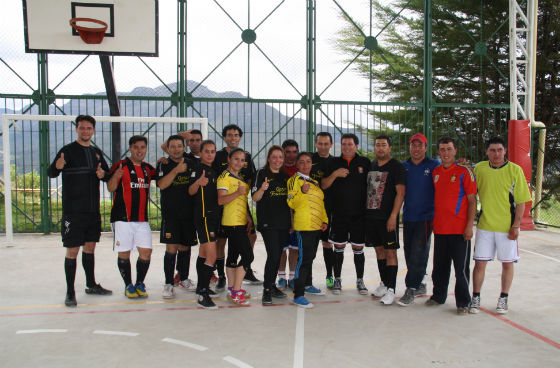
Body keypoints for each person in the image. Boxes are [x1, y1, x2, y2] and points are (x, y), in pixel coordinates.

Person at [47, 114, 112, 307]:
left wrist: (103, 175)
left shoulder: (96, 152)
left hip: (92, 211)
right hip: (73, 212)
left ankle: (91, 285)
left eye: (88, 128)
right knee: (73, 250)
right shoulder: (67, 151)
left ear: (93, 130)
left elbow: (107, 176)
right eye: (82, 128)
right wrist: (57, 167)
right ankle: (70, 292)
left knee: (90, 248)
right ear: (76, 129)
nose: (85, 131)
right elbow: (51, 172)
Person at [470, 137, 531, 314]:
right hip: (485, 226)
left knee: (507, 263)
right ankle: (476, 297)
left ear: (505, 151)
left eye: (499, 150)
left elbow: (521, 202)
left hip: (507, 228)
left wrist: (516, 225)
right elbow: (470, 191)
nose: (496, 154)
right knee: (480, 264)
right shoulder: (480, 168)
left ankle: (503, 298)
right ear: (487, 152)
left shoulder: (515, 170)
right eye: (492, 150)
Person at [426, 136, 477, 315]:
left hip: (459, 230)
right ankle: (439, 296)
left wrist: (469, 226)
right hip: (440, 229)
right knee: (439, 267)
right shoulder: (436, 172)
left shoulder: (464, 172)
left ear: (455, 151)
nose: (446, 153)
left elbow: (472, 201)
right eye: (442, 149)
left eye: (449, 149)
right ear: (438, 152)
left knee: (460, 269)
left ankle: (463, 302)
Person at [107, 135, 156, 299]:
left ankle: (139, 283)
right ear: (130, 148)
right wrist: (116, 176)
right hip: (122, 219)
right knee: (124, 253)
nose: (139, 150)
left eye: (142, 147)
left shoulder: (148, 169)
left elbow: (163, 178)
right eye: (136, 147)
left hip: (142, 220)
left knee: (146, 252)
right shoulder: (120, 166)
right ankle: (128, 285)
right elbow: (110, 187)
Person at [322, 133, 370, 295]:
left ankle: (360, 280)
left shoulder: (364, 162)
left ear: (356, 146)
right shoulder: (333, 162)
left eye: (350, 144)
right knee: (339, 248)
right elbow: (324, 185)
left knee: (358, 248)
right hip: (339, 215)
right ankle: (337, 280)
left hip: (359, 215)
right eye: (344, 144)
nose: (347, 147)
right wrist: (335, 174)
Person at [213, 124, 260, 288]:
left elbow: (251, 179)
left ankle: (238, 279)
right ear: (224, 137)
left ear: (240, 137)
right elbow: (220, 195)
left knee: (247, 239)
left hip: (240, 206)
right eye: (229, 135)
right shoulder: (218, 158)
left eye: (236, 135)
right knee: (221, 241)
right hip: (224, 210)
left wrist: (244, 194)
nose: (233, 137)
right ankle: (222, 276)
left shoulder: (245, 159)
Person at [397, 133, 440, 306]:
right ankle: (421, 282)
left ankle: (411, 288)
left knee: (419, 253)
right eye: (413, 145)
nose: (416, 148)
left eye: (419, 145)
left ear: (425, 147)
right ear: (410, 147)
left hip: (426, 217)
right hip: (408, 217)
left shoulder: (434, 165)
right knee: (409, 252)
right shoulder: (404, 166)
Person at [365, 134, 406, 305]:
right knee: (379, 251)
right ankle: (384, 283)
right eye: (377, 145)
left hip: (387, 219)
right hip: (372, 218)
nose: (380, 148)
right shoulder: (372, 165)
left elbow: (400, 193)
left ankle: (391, 290)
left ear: (390, 148)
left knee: (390, 252)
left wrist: (393, 216)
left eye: (384, 145)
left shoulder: (396, 167)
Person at [156, 135, 198, 298]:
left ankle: (184, 278)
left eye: (179, 146)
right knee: (171, 248)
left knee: (185, 247)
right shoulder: (163, 164)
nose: (176, 149)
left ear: (184, 147)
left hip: (188, 214)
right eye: (172, 146)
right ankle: (168, 283)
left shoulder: (191, 164)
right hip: (171, 214)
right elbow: (161, 185)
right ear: (168, 148)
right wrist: (175, 171)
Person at [287, 152, 329, 308]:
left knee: (310, 257)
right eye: (302, 162)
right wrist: (302, 192)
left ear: (312, 164)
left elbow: (321, 203)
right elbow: (291, 202)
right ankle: (298, 295)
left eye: (308, 162)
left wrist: (324, 220)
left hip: (316, 226)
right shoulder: (294, 181)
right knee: (303, 260)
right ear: (297, 165)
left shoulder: (315, 182)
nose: (305, 165)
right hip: (304, 226)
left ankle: (307, 284)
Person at [251, 145, 290, 305]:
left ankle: (272, 286)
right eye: (274, 157)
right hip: (268, 223)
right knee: (273, 255)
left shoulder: (285, 176)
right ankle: (266, 291)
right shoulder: (261, 173)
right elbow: (254, 198)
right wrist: (262, 188)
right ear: (268, 158)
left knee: (277, 255)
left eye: (280, 157)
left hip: (283, 223)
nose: (277, 160)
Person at [217, 148, 255, 305]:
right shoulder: (224, 177)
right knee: (248, 256)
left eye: (242, 160)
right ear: (229, 159)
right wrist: (238, 193)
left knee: (232, 256)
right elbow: (221, 200)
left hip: (239, 221)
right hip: (231, 223)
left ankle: (232, 289)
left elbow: (240, 201)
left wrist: (247, 217)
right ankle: (237, 291)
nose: (239, 163)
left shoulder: (238, 176)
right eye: (236, 159)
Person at [188, 140, 221, 309]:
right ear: (200, 153)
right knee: (212, 256)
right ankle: (202, 294)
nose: (210, 154)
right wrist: (197, 183)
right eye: (207, 151)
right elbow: (190, 191)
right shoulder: (198, 169)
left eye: (213, 151)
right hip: (204, 217)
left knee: (203, 253)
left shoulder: (213, 170)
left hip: (212, 217)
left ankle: (203, 286)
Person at [310, 132, 335, 290]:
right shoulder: (309, 160)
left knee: (327, 244)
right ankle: (307, 279)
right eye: (320, 143)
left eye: (326, 144)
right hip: (311, 209)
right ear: (315, 144)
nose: (323, 146)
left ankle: (329, 275)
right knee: (309, 246)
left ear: (331, 145)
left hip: (329, 209)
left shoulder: (335, 162)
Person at [277, 139, 300, 290]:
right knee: (281, 249)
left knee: (294, 249)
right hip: (280, 217)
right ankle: (281, 277)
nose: (291, 155)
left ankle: (292, 277)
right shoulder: (278, 169)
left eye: (294, 152)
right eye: (288, 152)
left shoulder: (301, 170)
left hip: (298, 217)